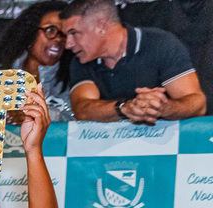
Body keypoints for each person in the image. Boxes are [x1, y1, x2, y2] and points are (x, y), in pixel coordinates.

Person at [62, 0, 206, 123]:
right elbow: (82, 110)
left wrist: (162, 108)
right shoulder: (81, 60)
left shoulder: (159, 44)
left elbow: (197, 104)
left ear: (100, 27)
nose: (68, 44)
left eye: (74, 33)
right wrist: (125, 108)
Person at [0, 1, 73, 121]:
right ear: (30, 33)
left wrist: (40, 114)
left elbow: (79, 122)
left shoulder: (71, 80)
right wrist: (5, 115)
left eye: (64, 34)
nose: (58, 39)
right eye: (51, 30)